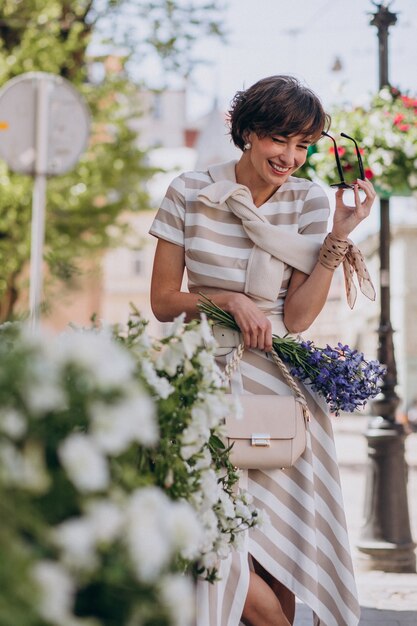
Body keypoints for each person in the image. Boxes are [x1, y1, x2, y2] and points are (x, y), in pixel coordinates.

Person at [149, 75, 376, 626]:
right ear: (247, 131)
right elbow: (161, 301)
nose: (292, 157)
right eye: (281, 140)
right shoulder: (190, 191)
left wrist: (338, 239)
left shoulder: (309, 199)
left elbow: (296, 318)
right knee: (208, 533)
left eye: (304, 145)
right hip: (205, 383)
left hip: (282, 384)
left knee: (284, 546)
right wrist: (227, 299)